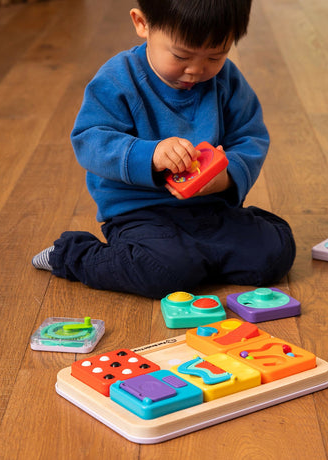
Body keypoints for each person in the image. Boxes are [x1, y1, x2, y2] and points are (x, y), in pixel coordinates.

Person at [32, 0, 296, 299]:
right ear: (142, 23)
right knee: (161, 272)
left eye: (215, 55)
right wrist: (151, 155)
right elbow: (90, 140)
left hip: (210, 209)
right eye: (181, 55)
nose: (196, 70)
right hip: (141, 214)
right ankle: (70, 254)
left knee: (275, 254)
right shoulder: (119, 78)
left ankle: (197, 258)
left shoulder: (227, 80)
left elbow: (250, 136)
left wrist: (228, 176)